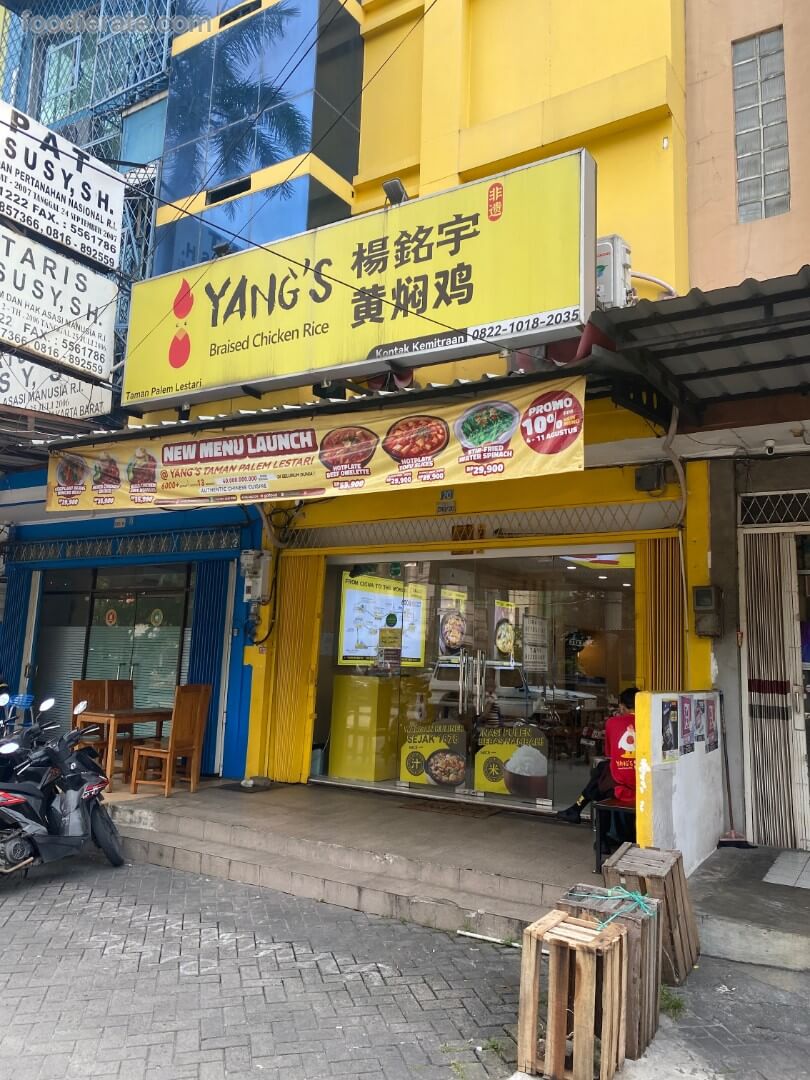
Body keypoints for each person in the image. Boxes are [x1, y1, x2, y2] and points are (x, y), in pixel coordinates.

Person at [557, 686, 638, 824]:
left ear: (622, 706)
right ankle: (576, 810)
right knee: (601, 773)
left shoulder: (612, 722)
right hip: (644, 779)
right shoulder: (650, 723)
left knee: (600, 775)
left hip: (624, 784)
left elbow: (610, 755)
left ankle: (578, 809)